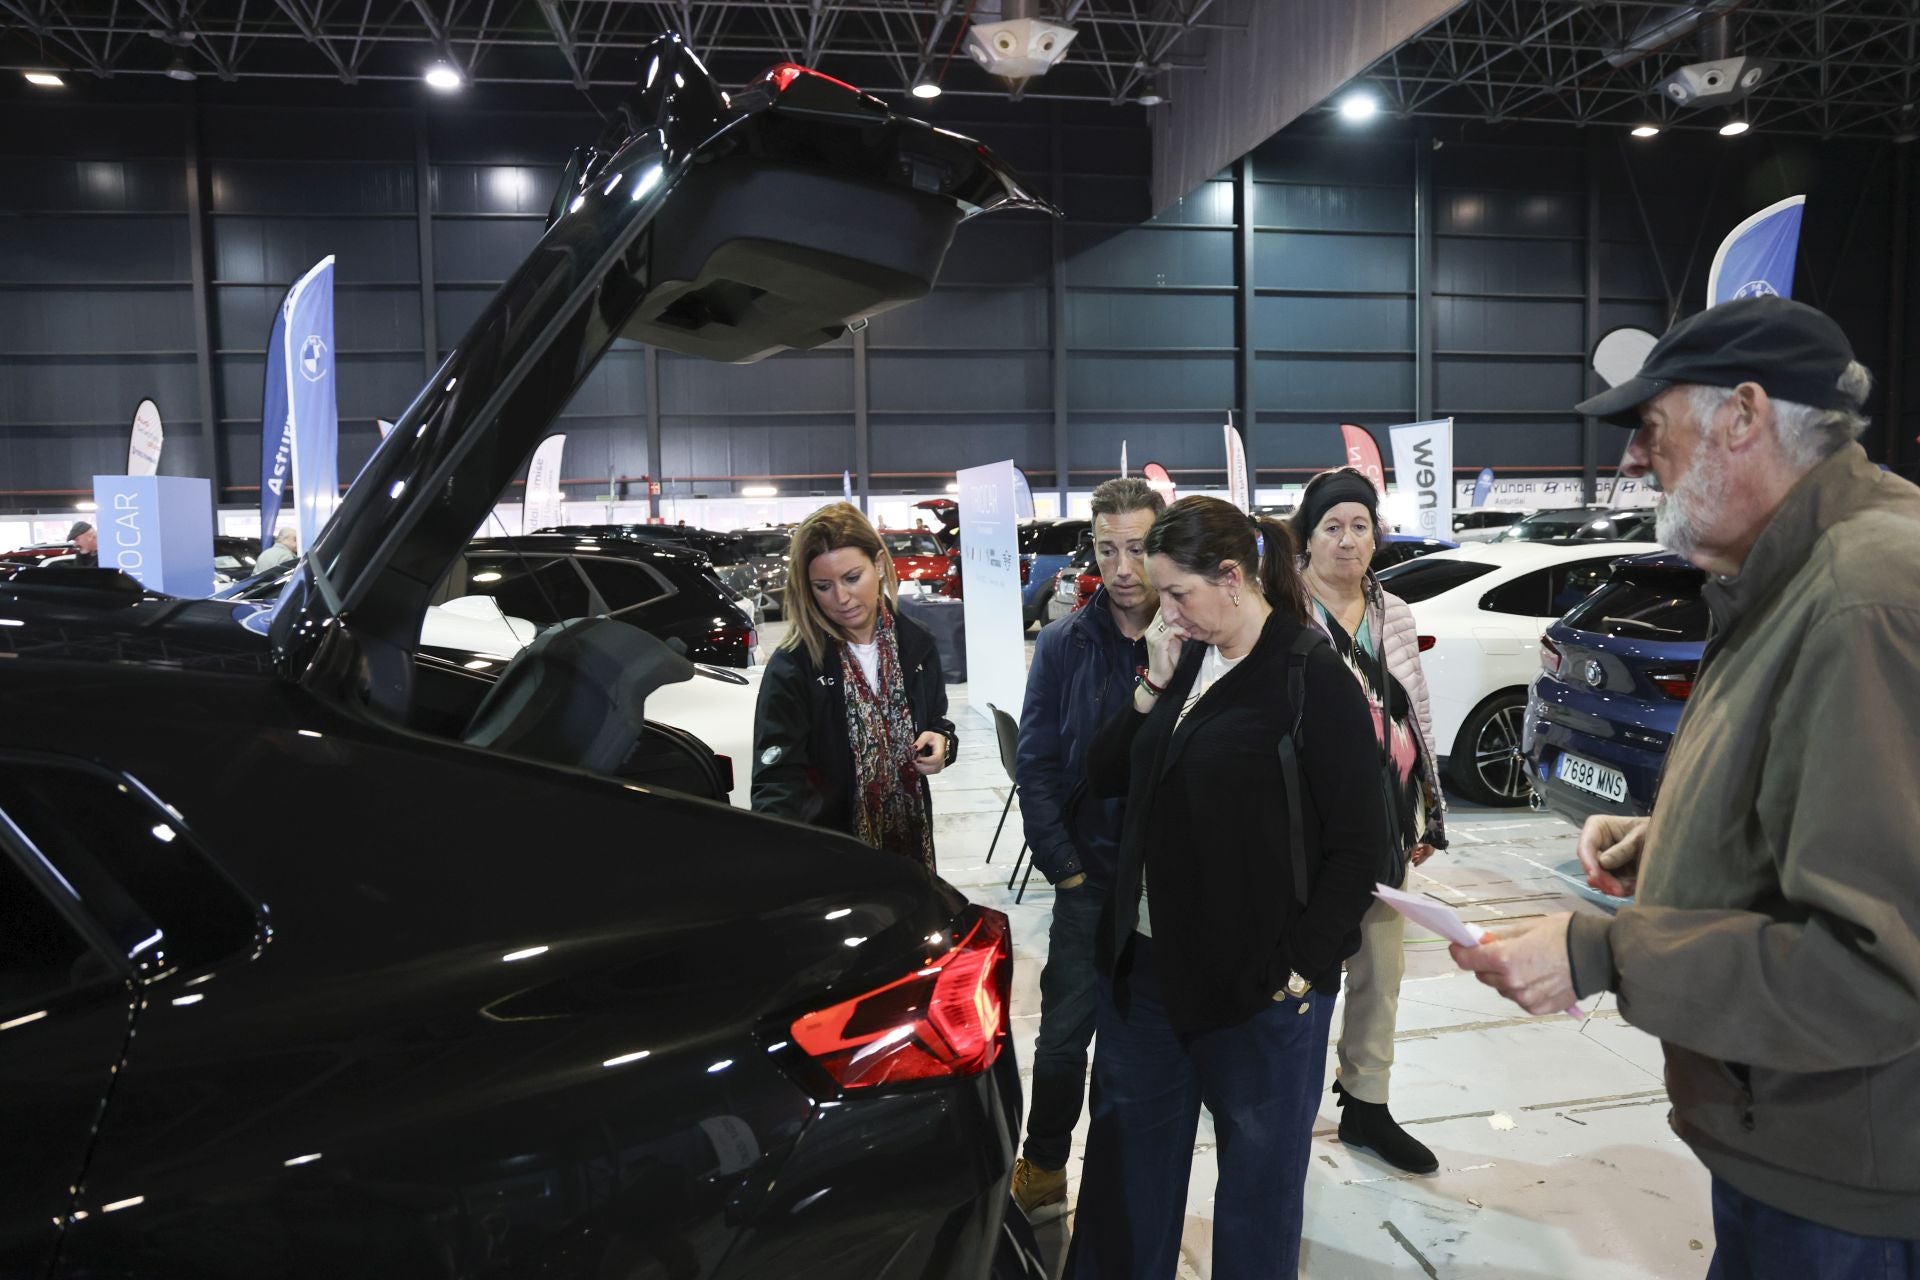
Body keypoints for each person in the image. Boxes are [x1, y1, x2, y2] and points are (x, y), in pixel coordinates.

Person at [1451, 296, 1920, 1272]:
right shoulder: (1786, 575)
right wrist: (1668, 845)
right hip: (1790, 1148)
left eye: (1650, 427)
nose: (1633, 460)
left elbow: (1876, 966)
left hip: (1849, 1189)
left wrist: (1603, 949)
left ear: (1744, 416)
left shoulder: (1862, 598)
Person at [1066, 496, 1390, 1279]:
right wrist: (1152, 684)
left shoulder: (1306, 675)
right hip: (1148, 976)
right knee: (1128, 1184)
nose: (1163, 610)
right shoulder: (1186, 661)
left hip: (1258, 989)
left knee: (1257, 1192)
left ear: (1234, 578)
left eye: (1176, 593)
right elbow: (1102, 778)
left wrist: (1303, 967)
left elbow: (1361, 844)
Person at [1008, 477, 1165, 1220]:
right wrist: (1064, 868)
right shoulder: (1067, 642)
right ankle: (1043, 1165)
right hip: (1089, 878)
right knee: (1066, 1036)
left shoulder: (1197, 636)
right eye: (1109, 548)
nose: (1125, 566)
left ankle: (1129, 1180)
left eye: (1138, 547)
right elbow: (1035, 761)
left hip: (1170, 883)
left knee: (1147, 1044)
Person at [1291, 467, 1449, 1175]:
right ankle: (1279, 1094)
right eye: (1333, 527)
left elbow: (1415, 711)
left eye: (1360, 526)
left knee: (1381, 969)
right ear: (1308, 536)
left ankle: (1367, 1106)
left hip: (1384, 812)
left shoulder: (1397, 613)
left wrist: (1424, 813)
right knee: (1303, 963)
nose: (1348, 540)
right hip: (1306, 818)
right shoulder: (1282, 607)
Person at [751, 502, 956, 870]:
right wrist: (774, 856)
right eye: (823, 586)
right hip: (830, 858)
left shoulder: (917, 645)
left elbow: (938, 721)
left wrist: (943, 742)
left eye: (851, 578)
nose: (841, 599)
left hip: (910, 847)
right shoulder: (795, 665)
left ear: (878, 565)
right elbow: (777, 779)